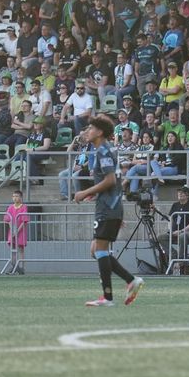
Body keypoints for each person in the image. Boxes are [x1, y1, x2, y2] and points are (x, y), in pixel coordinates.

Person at [73, 115, 144, 307]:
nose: (87, 131)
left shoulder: (103, 151)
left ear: (100, 132)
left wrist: (84, 192)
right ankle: (129, 281)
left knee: (99, 250)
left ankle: (108, 297)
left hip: (108, 208)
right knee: (97, 250)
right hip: (110, 206)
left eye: (91, 128)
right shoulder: (106, 150)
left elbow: (111, 180)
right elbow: (113, 183)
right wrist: (95, 195)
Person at [167, 186, 189, 275]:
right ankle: (175, 255)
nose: (180, 194)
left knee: (182, 236)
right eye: (179, 192)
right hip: (175, 231)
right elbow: (170, 219)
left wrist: (181, 231)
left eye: (182, 192)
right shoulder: (175, 205)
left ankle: (181, 261)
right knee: (160, 237)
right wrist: (170, 231)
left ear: (187, 195)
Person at [3, 189, 30, 275]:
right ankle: (14, 266)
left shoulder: (23, 207)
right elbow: (8, 219)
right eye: (14, 196)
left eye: (17, 196)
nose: (15, 198)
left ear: (21, 197)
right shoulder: (10, 207)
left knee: (21, 249)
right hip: (12, 231)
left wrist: (17, 230)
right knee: (12, 248)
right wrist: (13, 230)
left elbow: (24, 220)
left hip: (21, 230)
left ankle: (22, 267)